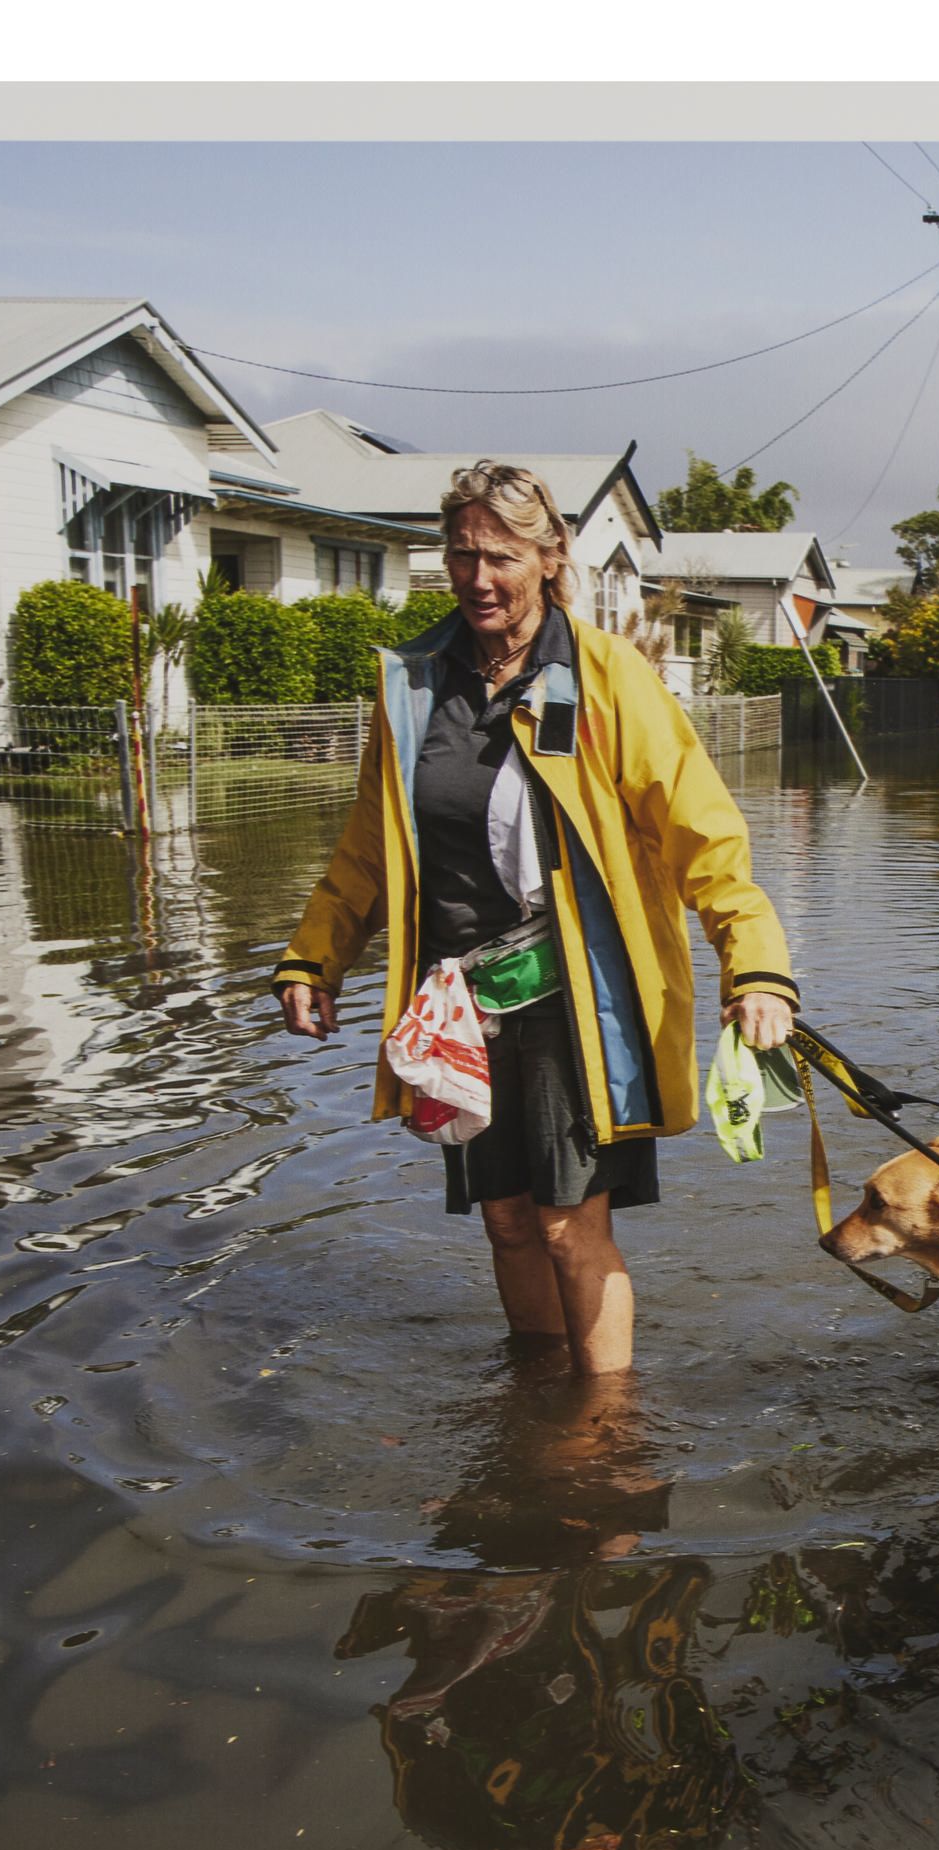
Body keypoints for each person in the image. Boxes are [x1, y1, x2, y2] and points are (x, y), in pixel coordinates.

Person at [272, 462, 800, 1373]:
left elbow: (703, 831)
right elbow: (369, 846)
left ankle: (602, 1435)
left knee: (565, 1225)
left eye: (501, 556)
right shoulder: (413, 684)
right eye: (462, 553)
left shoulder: (605, 678)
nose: (478, 577)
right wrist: (312, 960)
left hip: (572, 999)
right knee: (508, 1221)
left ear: (550, 558)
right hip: (458, 1003)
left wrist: (753, 966)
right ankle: (537, 1393)